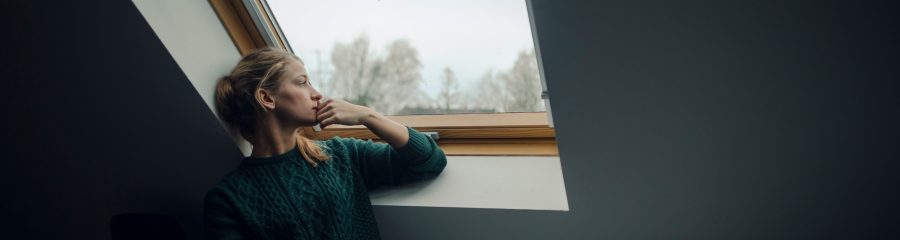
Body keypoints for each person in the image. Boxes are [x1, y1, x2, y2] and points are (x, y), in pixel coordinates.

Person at [205, 47, 447, 239]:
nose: (317, 93)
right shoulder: (229, 199)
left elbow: (430, 160)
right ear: (267, 98)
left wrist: (368, 116)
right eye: (302, 82)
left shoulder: (340, 154)